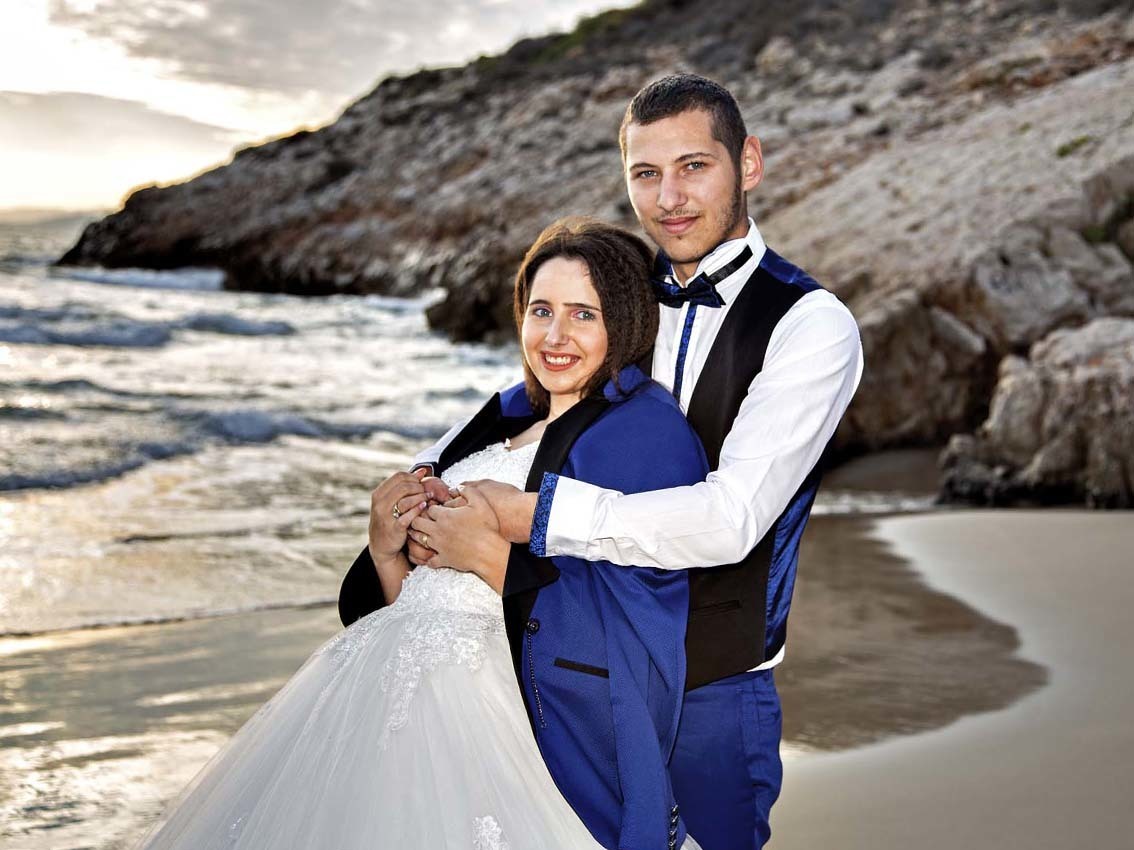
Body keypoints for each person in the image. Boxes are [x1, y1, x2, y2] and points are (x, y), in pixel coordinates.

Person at [136, 219, 707, 850]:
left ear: (625, 324)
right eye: (541, 310)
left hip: (499, 719)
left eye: (583, 315)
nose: (555, 336)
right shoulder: (498, 419)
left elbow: (643, 619)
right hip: (383, 694)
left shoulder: (645, 433)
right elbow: (422, 591)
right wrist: (385, 547)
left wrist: (491, 558)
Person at [400, 74, 864, 850]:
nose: (670, 197)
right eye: (646, 173)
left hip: (712, 687)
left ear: (748, 162)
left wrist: (538, 516)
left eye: (694, 166)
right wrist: (426, 470)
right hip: (576, 667)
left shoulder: (810, 325)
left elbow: (732, 518)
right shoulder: (615, 294)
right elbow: (528, 395)